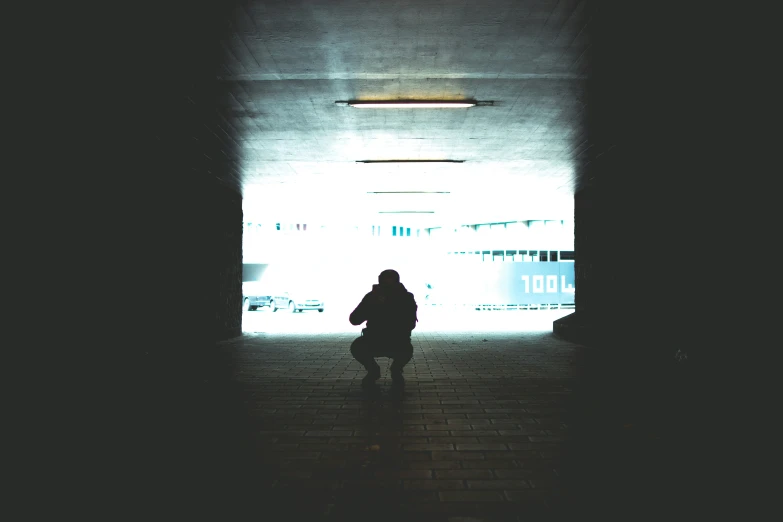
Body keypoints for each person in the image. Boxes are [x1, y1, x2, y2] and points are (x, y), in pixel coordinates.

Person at [349, 269, 418, 388]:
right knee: (357, 346)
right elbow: (355, 319)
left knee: (406, 349)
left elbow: (410, 322)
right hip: (382, 340)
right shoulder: (374, 297)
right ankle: (379, 370)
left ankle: (392, 370)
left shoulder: (404, 297)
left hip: (393, 341)